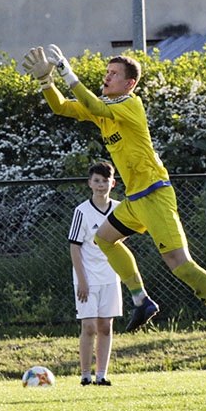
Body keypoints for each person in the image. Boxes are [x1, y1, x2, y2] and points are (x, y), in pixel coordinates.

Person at [23, 45, 206, 365]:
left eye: (113, 74)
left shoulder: (130, 104)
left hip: (156, 194)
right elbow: (62, 107)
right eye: (106, 73)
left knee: (180, 265)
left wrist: (65, 69)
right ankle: (141, 299)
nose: (106, 77)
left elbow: (88, 102)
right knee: (103, 238)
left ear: (130, 84)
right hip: (135, 199)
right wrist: (46, 82)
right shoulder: (103, 108)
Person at [70, 161, 122, 386]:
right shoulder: (81, 211)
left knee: (105, 326)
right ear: (90, 183)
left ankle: (101, 375)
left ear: (113, 183)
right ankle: (85, 375)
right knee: (89, 326)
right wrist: (82, 280)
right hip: (87, 277)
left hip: (111, 276)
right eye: (97, 181)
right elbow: (74, 246)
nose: (101, 185)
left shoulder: (120, 209)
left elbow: (125, 236)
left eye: (105, 181)